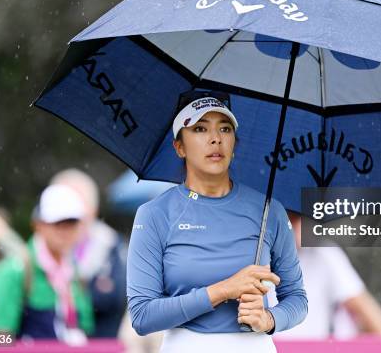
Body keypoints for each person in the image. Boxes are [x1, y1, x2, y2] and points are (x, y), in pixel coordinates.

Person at [127, 91, 307, 353]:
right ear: (179, 147)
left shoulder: (270, 210)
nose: (215, 139)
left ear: (234, 143)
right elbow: (142, 316)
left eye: (225, 129)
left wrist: (269, 320)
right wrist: (223, 290)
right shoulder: (153, 214)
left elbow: (297, 299)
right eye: (200, 128)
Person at [0, 184, 94, 345]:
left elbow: (86, 326)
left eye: (71, 222)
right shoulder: (14, 271)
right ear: (38, 224)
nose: (65, 230)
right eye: (57, 222)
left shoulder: (73, 270)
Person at [268, 212, 381, 340]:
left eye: (296, 221)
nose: (293, 229)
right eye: (287, 221)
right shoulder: (255, 260)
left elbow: (367, 312)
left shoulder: (325, 256)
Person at [51, 168, 127, 338]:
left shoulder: (113, 247)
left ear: (93, 210)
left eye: (76, 203)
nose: (68, 213)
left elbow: (114, 299)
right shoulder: (35, 256)